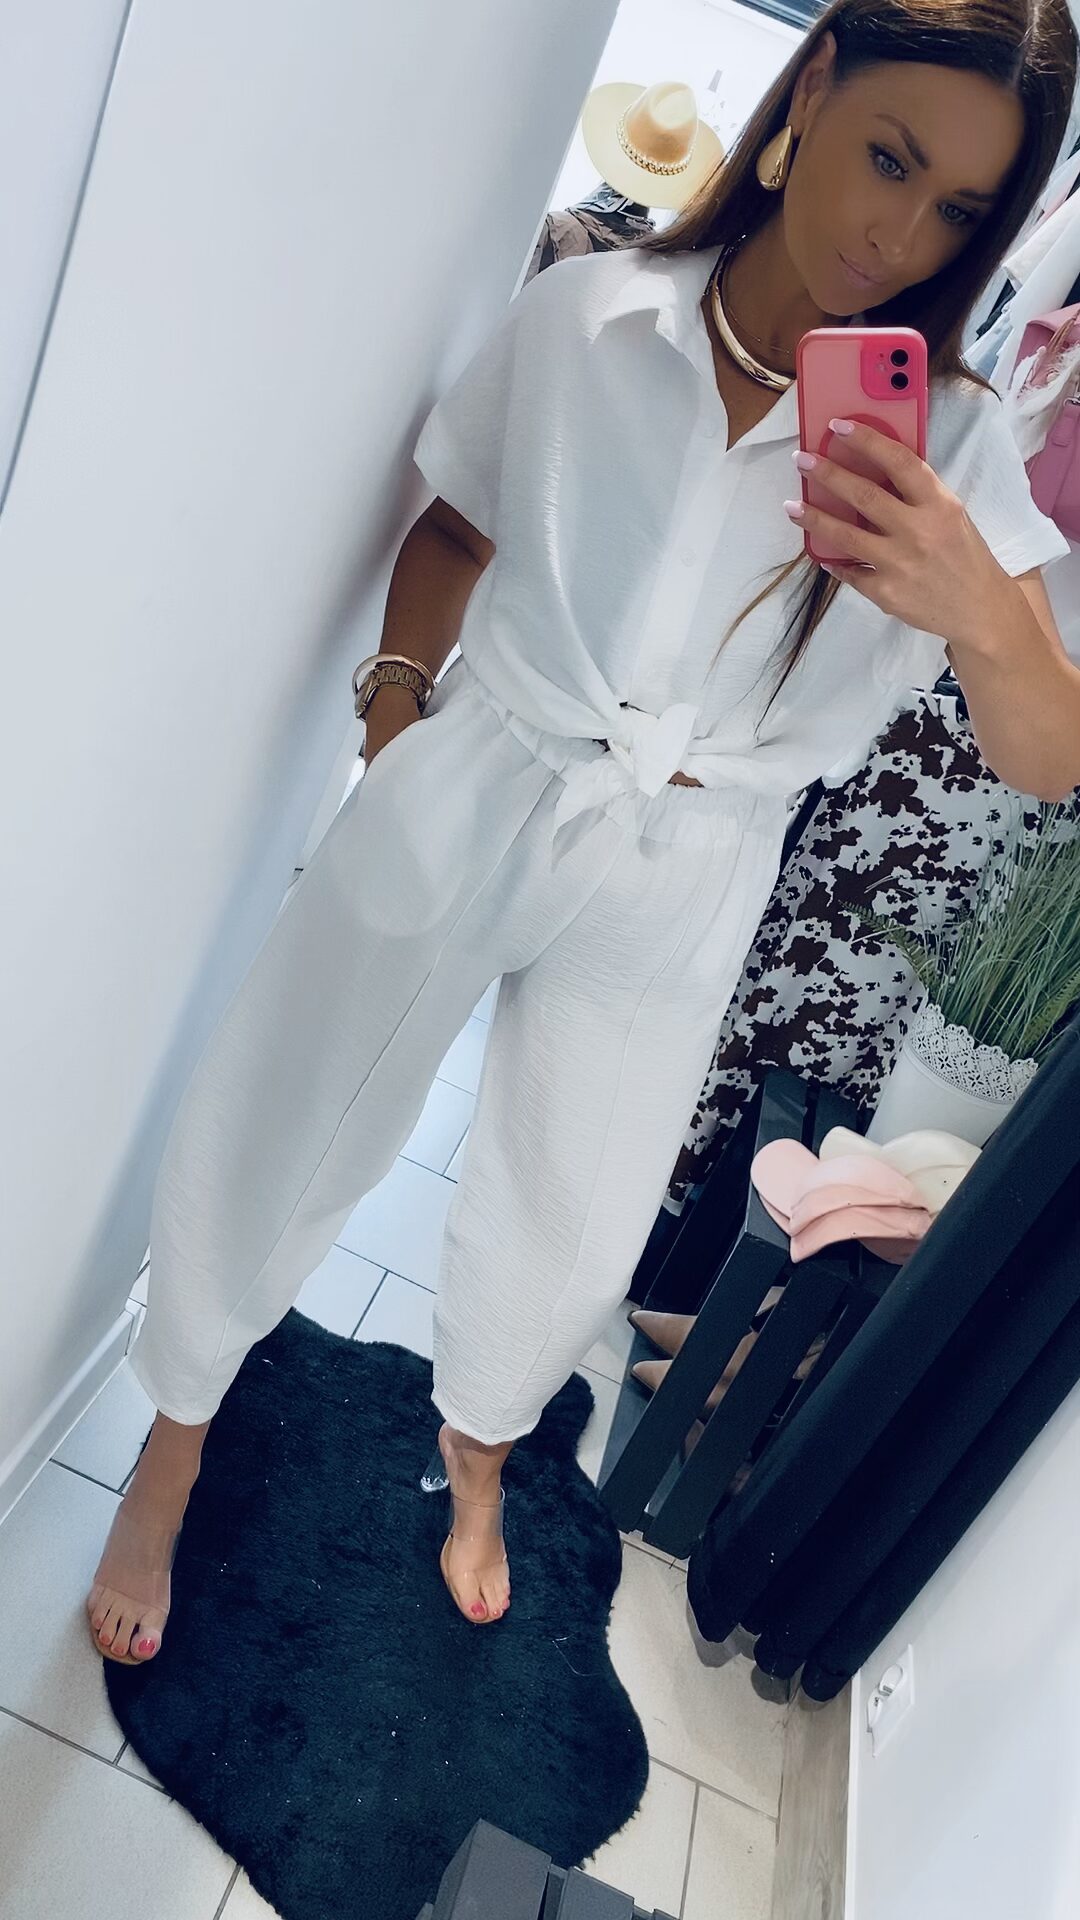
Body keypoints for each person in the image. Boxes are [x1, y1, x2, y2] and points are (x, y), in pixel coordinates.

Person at [88, 0, 1080, 1663]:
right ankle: (172, 1441)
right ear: (811, 94)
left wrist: (974, 601)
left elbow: (1050, 756)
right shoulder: (592, 312)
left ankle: (479, 1449)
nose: (895, 233)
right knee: (290, 1110)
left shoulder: (958, 455)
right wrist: (398, 717)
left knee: (576, 1211)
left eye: (957, 209)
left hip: (692, 861)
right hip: (486, 768)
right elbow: (456, 523)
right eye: (888, 157)